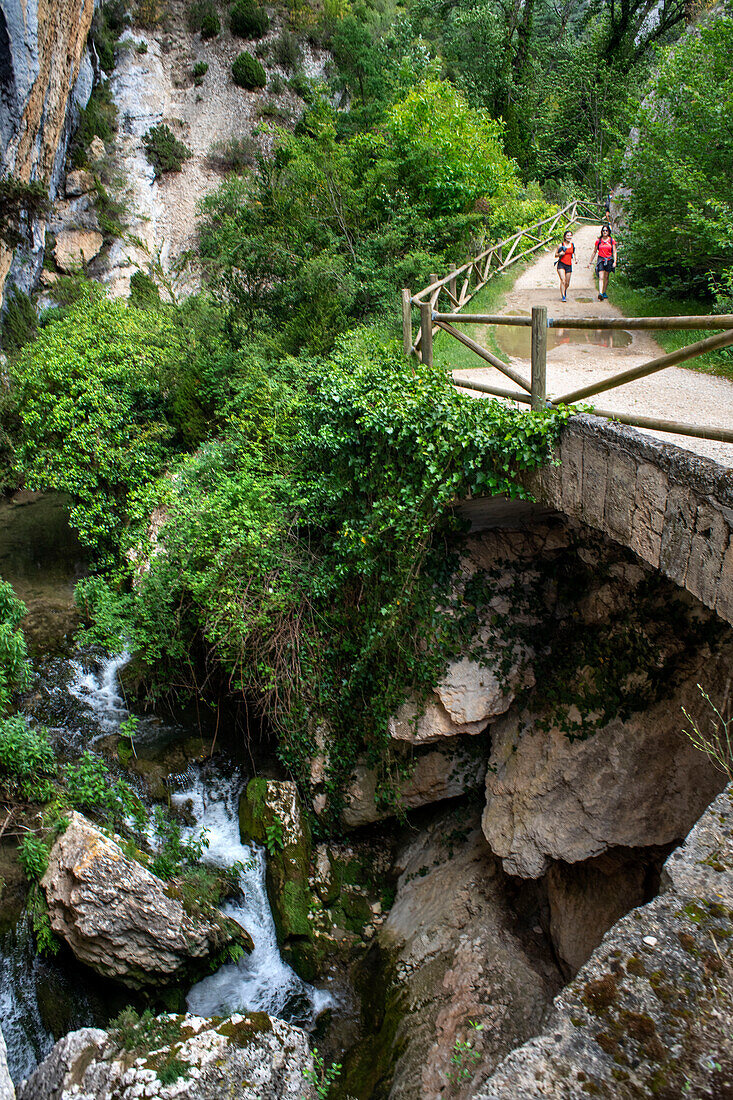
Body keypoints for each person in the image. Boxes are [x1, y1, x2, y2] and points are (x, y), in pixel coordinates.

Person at [589, 225, 617, 300]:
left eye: (606, 230)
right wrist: (590, 262)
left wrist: (615, 261)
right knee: (601, 277)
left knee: (606, 277)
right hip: (601, 260)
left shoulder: (611, 240)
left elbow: (614, 251)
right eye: (603, 230)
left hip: (609, 259)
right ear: (601, 232)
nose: (605, 232)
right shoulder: (599, 241)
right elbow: (594, 251)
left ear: (608, 232)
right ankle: (600, 293)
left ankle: (604, 292)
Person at [554, 229, 576, 302]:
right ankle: (563, 296)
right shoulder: (561, 245)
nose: (569, 237)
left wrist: (576, 259)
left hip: (569, 265)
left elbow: (574, 253)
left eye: (570, 235)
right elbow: (556, 255)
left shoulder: (572, 245)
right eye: (567, 235)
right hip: (561, 264)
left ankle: (564, 290)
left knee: (567, 283)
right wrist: (560, 254)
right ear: (565, 236)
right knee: (563, 280)